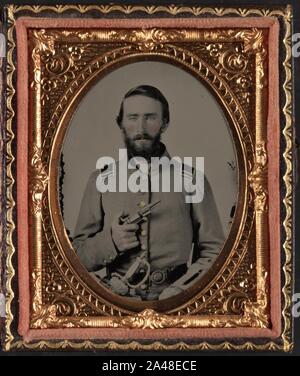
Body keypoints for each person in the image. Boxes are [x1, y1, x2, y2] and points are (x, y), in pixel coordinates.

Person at [72, 85, 224, 300]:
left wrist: (181, 291)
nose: (140, 127)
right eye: (132, 117)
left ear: (165, 123)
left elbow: (214, 252)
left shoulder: (192, 179)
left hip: (176, 304)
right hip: (115, 304)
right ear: (121, 123)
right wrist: (112, 242)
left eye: (150, 118)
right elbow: (76, 257)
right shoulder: (100, 179)